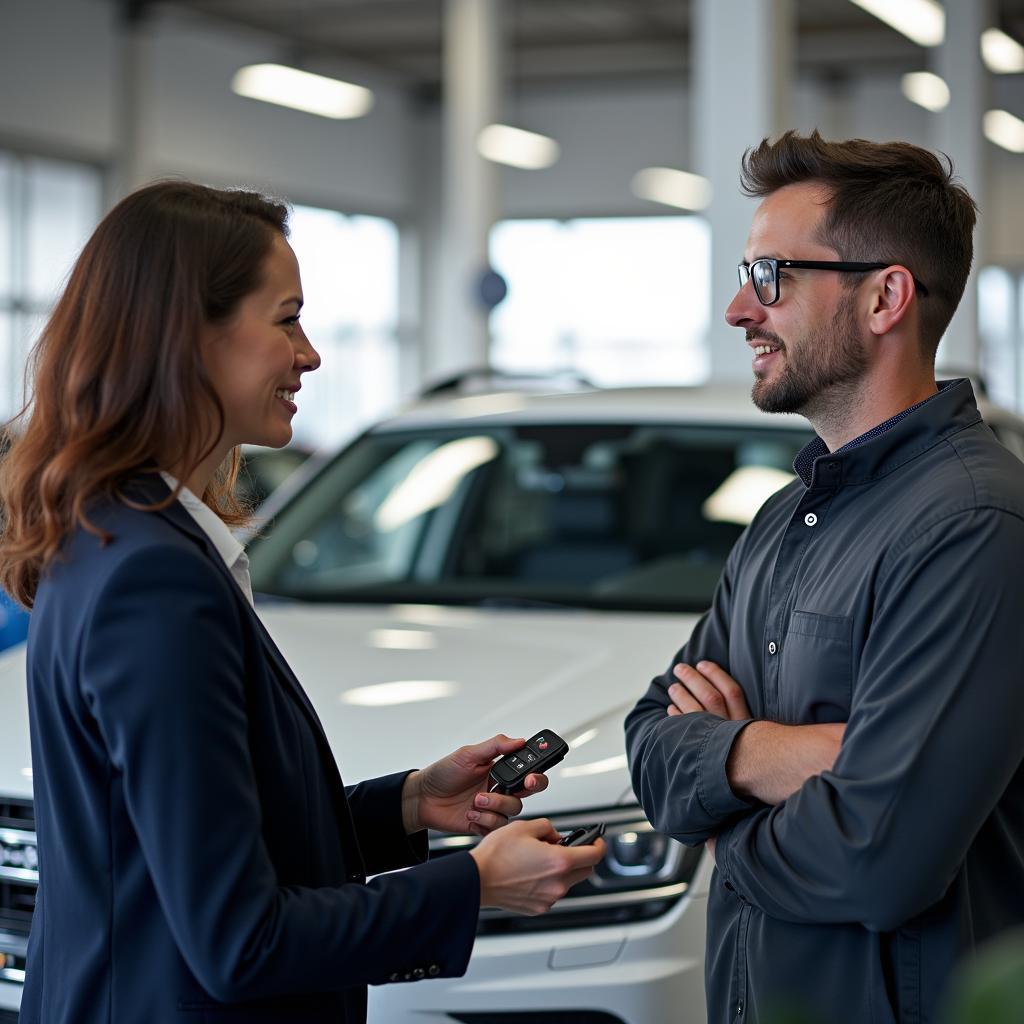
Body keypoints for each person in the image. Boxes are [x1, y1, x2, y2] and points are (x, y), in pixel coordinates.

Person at [0, 181, 604, 1024]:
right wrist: (473, 884)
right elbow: (239, 940)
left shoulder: (117, 535)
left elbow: (174, 848)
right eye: (286, 318)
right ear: (187, 337)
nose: (310, 354)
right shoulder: (154, 579)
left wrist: (405, 805)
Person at [625, 131, 1024, 1024]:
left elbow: (877, 859)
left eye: (773, 277)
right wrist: (772, 756)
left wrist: (722, 823)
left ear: (886, 297)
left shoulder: (974, 527)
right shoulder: (786, 516)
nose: (738, 309)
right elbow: (651, 738)